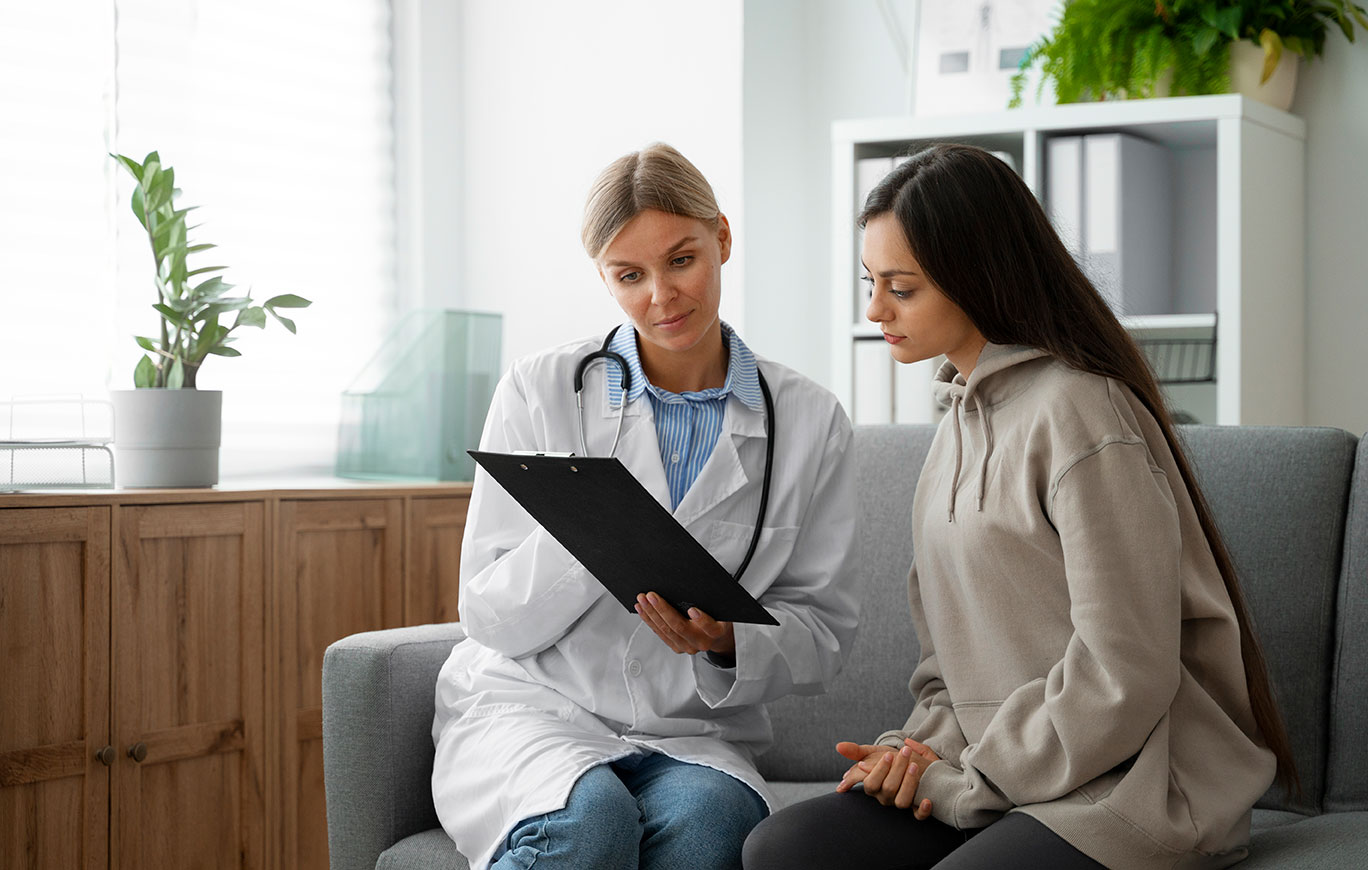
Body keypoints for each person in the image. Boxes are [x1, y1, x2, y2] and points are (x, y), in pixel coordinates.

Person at [742, 143, 1295, 870]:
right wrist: (916, 757)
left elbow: (1124, 673)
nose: (875, 309)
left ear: (977, 277)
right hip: (1002, 774)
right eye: (871, 282)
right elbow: (947, 670)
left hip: (1128, 784)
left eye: (901, 288)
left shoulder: (1082, 412)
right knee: (784, 848)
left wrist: (971, 783)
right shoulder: (950, 435)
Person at [431, 143, 861, 870]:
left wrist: (730, 640)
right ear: (604, 278)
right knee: (587, 819)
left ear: (722, 238)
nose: (661, 296)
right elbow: (490, 616)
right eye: (630, 276)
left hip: (692, 729)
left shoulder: (811, 421)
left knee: (710, 828)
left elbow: (826, 630)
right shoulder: (539, 391)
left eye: (683, 260)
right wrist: (586, 527)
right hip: (537, 707)